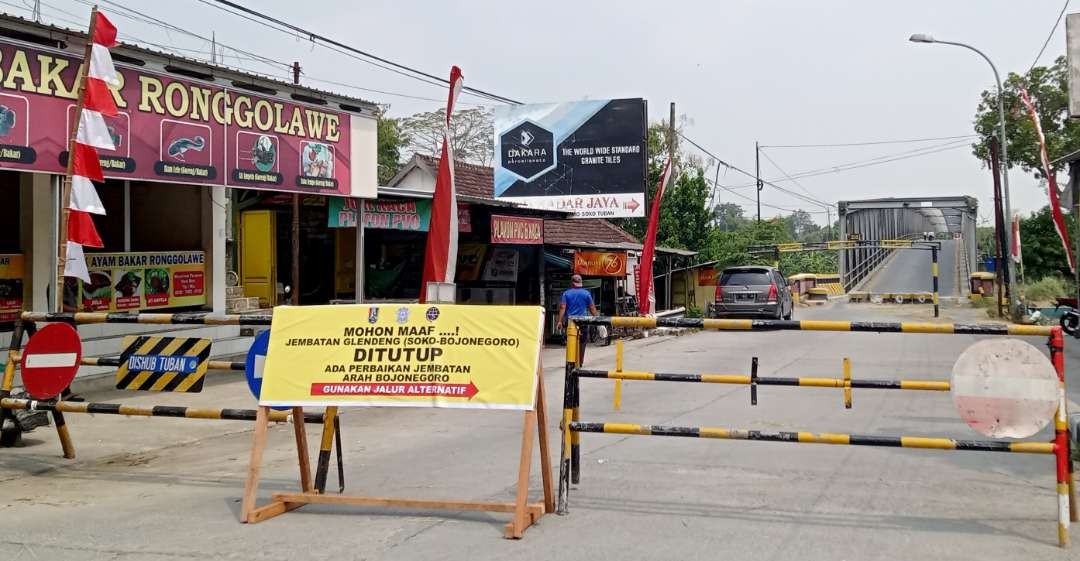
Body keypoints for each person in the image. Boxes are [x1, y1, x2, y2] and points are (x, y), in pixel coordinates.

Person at [556, 274, 598, 364]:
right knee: (582, 342)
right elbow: (592, 308)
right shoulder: (586, 293)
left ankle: (570, 361)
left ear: (572, 283)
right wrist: (598, 320)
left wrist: (559, 321)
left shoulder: (566, 294)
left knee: (570, 340)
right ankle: (580, 361)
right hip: (582, 320)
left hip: (570, 321)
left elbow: (562, 308)